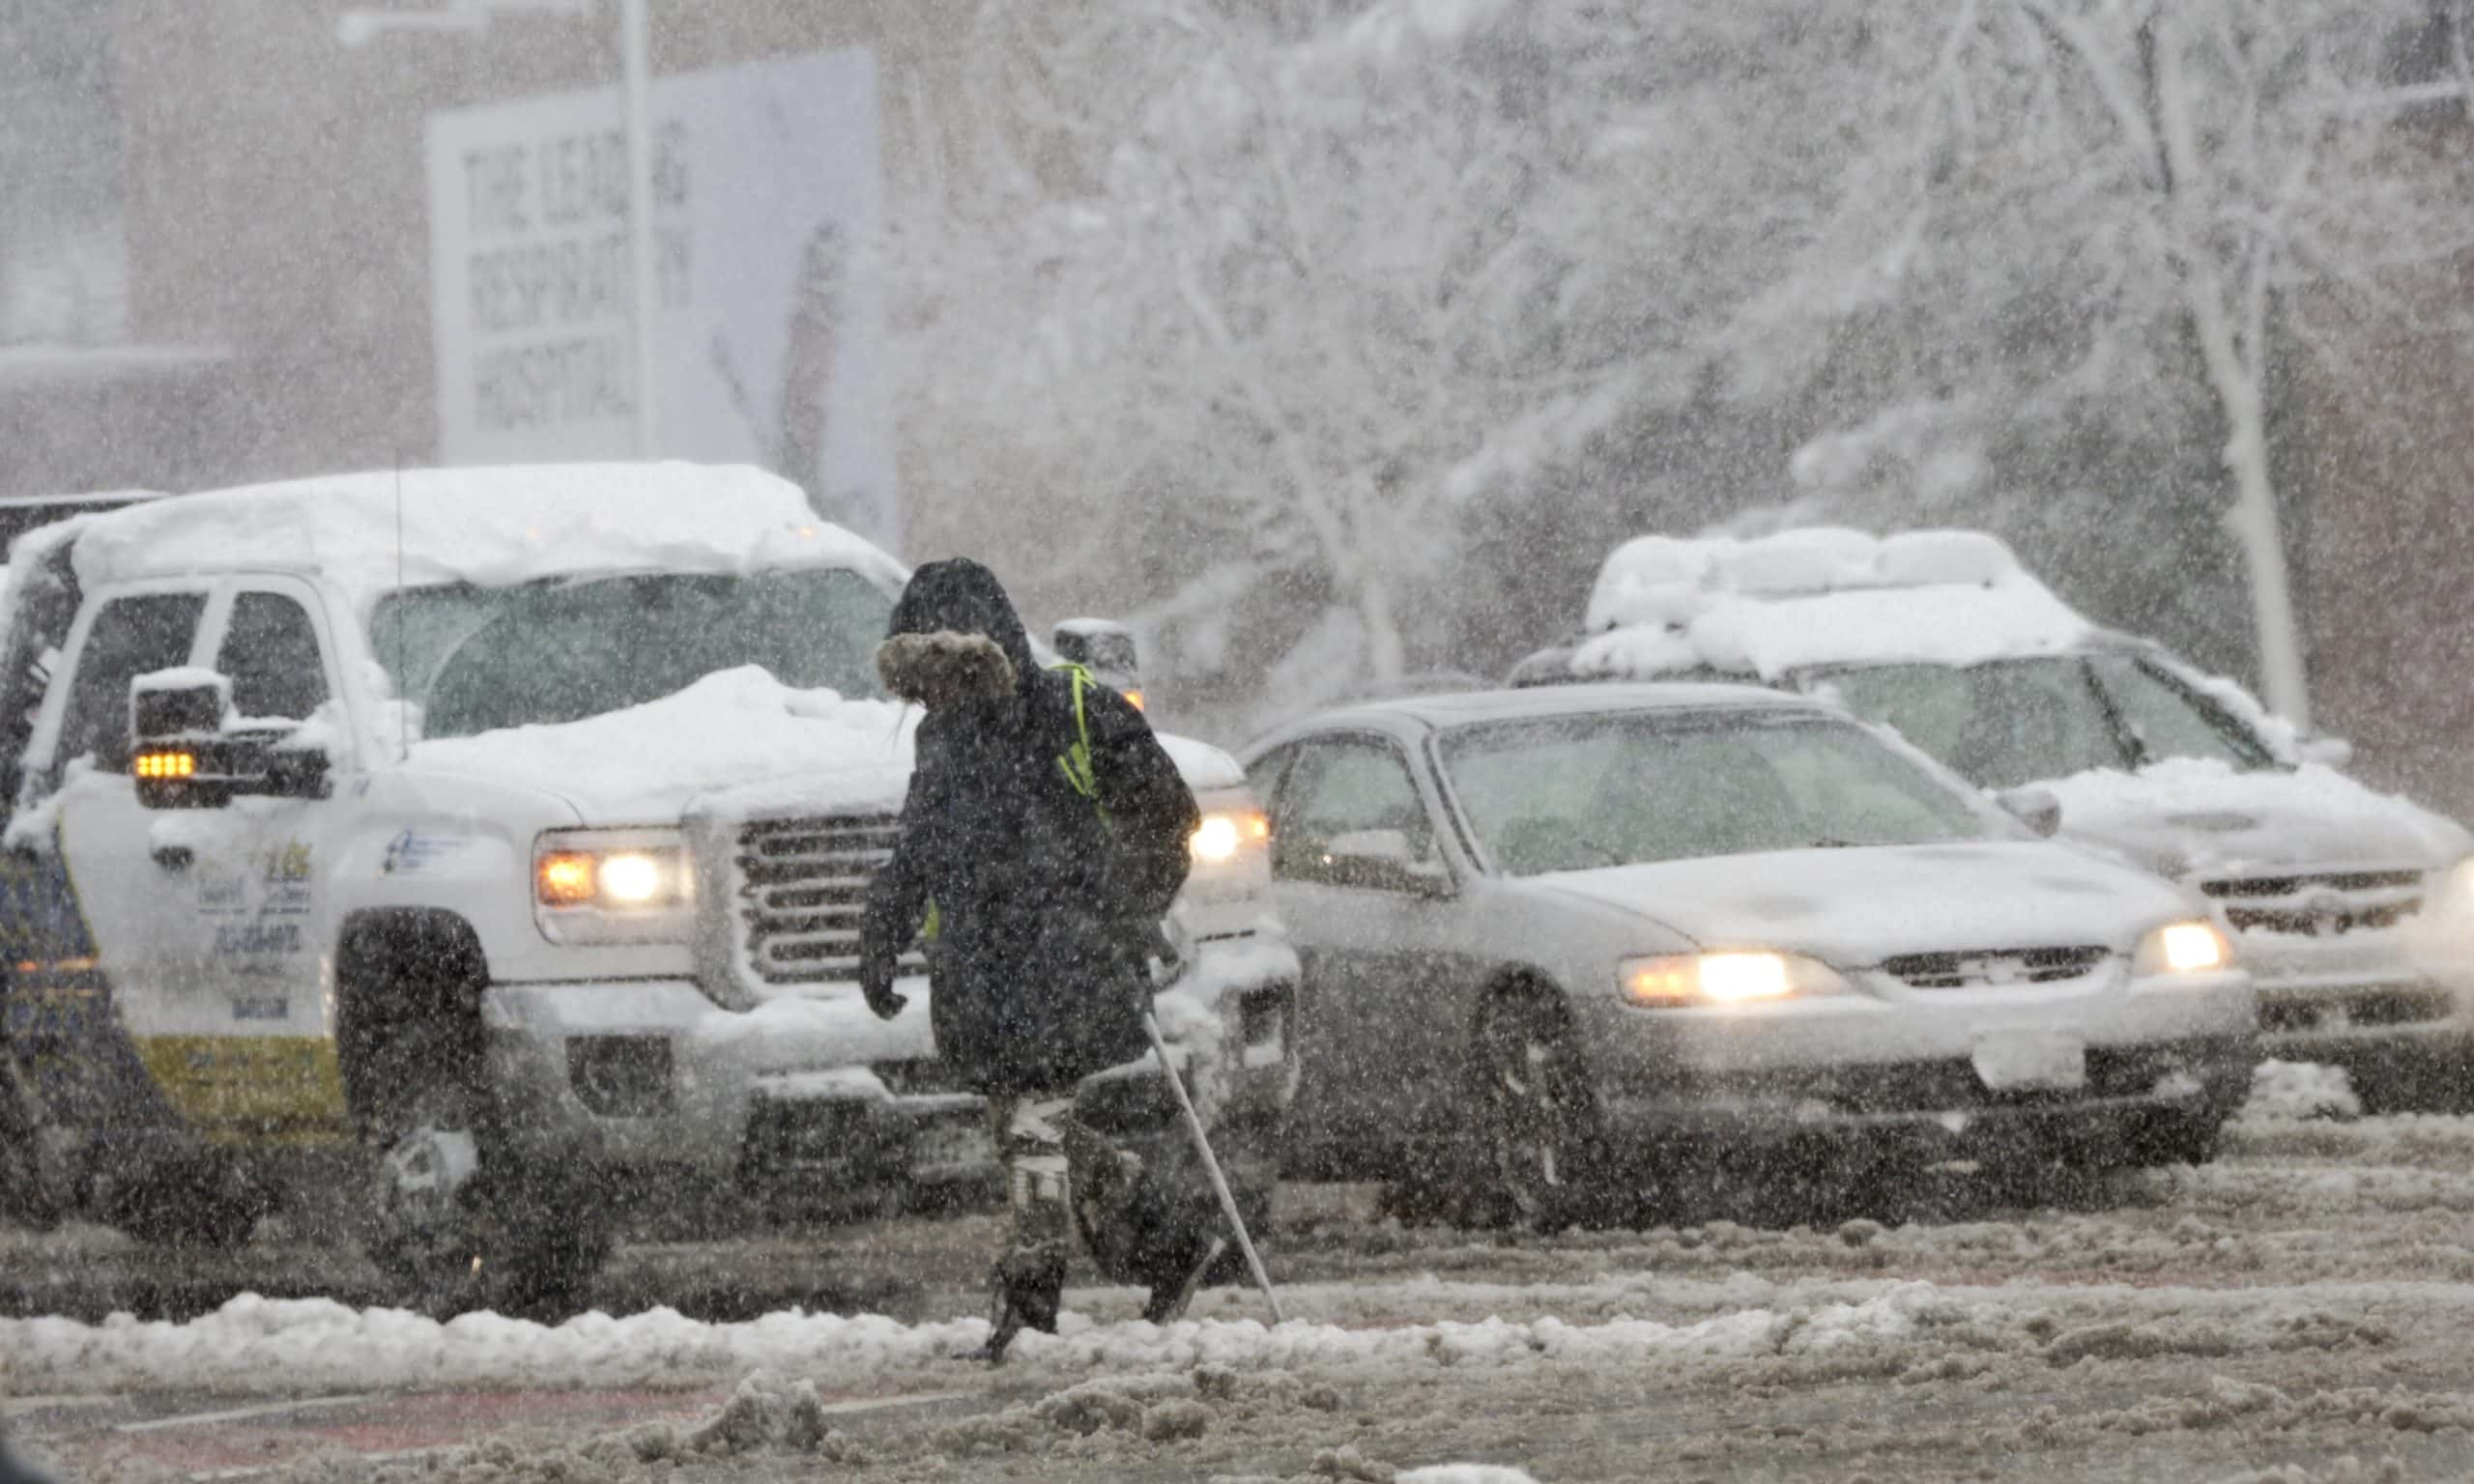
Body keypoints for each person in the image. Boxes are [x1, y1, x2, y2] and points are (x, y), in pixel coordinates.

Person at [857, 558, 1210, 1364]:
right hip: (985, 970)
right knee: (1024, 1126)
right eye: (921, 674)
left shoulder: (1076, 710)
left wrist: (1125, 914)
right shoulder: (939, 737)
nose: (936, 689)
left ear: (987, 650)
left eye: (947, 669)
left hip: (1069, 958)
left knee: (1030, 1125)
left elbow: (1169, 818)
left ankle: (1032, 1300)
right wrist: (883, 931)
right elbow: (920, 847)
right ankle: (1167, 1241)